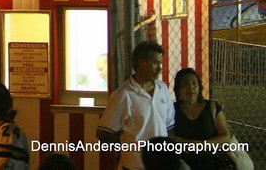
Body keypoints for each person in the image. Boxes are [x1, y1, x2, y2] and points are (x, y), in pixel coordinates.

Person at [97, 40, 175, 170]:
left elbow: (169, 127)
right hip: (134, 166)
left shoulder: (163, 89)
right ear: (141, 62)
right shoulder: (123, 95)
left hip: (160, 164)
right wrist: (130, 148)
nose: (159, 68)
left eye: (160, 63)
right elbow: (104, 132)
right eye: (155, 63)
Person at [169, 67, 235, 170]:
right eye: (185, 84)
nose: (191, 87)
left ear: (199, 87)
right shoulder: (172, 110)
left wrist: (204, 145)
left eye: (194, 83)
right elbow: (169, 136)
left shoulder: (212, 107)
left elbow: (226, 136)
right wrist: (182, 142)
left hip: (213, 162)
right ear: (178, 89)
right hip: (183, 163)